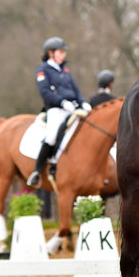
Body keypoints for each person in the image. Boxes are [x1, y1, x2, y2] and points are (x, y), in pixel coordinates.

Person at [27, 37, 91, 187]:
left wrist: (83, 102)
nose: (63, 55)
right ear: (51, 53)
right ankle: (37, 171)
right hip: (56, 109)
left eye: (64, 52)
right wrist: (62, 102)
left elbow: (76, 90)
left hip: (73, 108)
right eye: (60, 52)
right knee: (51, 136)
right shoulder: (42, 70)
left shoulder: (65, 71)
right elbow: (45, 92)